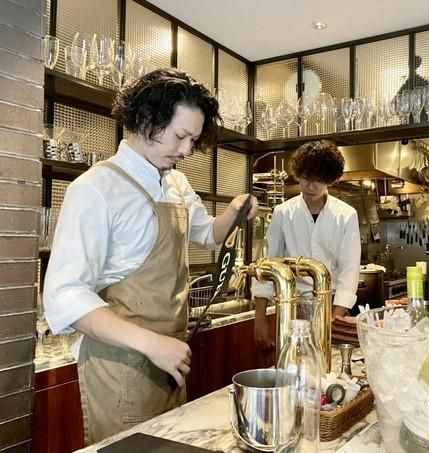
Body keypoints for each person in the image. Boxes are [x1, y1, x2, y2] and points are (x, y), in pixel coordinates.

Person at [43, 68, 258, 444]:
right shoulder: (95, 189)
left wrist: (236, 210)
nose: (186, 150)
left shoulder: (175, 182)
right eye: (180, 136)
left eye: (193, 140)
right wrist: (151, 344)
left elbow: (209, 233)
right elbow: (64, 296)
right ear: (145, 120)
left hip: (171, 356)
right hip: (121, 364)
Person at [253, 140, 361, 351]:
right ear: (298, 174)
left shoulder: (346, 215)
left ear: (330, 179)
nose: (310, 186)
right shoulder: (283, 213)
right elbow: (267, 266)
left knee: (327, 361)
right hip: (291, 306)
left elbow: (349, 271)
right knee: (292, 361)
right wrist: (260, 318)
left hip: (332, 305)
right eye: (305, 178)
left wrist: (334, 318)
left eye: (318, 180)